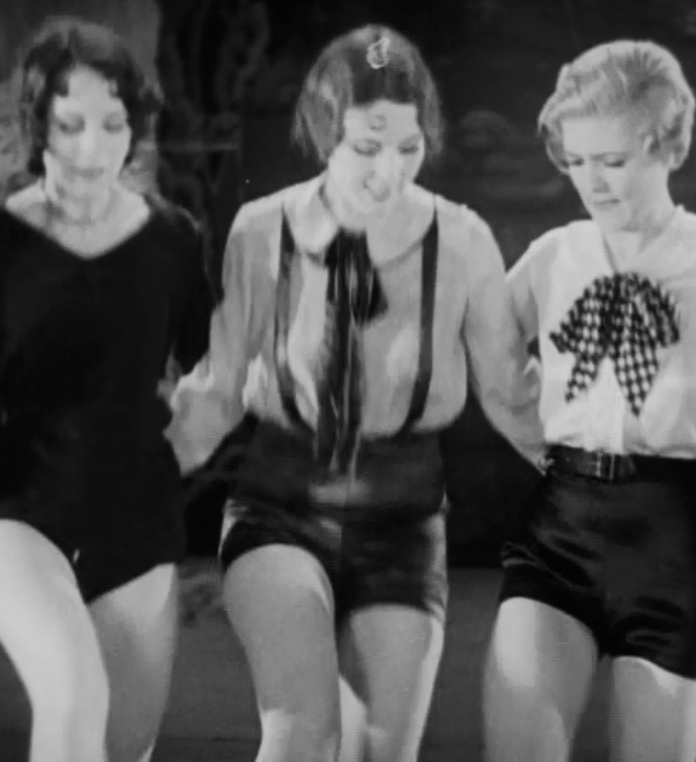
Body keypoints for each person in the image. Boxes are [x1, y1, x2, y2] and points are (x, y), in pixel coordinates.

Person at [165, 23, 543, 762]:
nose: (388, 170)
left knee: (384, 750)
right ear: (323, 134)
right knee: (305, 731)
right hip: (280, 502)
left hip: (404, 518)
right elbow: (218, 386)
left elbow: (510, 393)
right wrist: (138, 487)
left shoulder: (461, 239)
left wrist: (600, 479)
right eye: (367, 147)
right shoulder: (262, 230)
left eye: (408, 147)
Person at [481, 39, 696, 762]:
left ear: (667, 146)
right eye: (575, 160)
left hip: (673, 537)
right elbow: (481, 348)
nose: (591, 181)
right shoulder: (555, 253)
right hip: (559, 528)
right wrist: (529, 433)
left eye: (613, 161)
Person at [0, 17, 212, 762]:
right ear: (38, 128)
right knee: (73, 692)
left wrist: (197, 433)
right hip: (17, 513)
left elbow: (210, 365)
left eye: (113, 125)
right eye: (70, 125)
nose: (93, 149)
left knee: (123, 747)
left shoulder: (174, 240)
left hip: (138, 521)